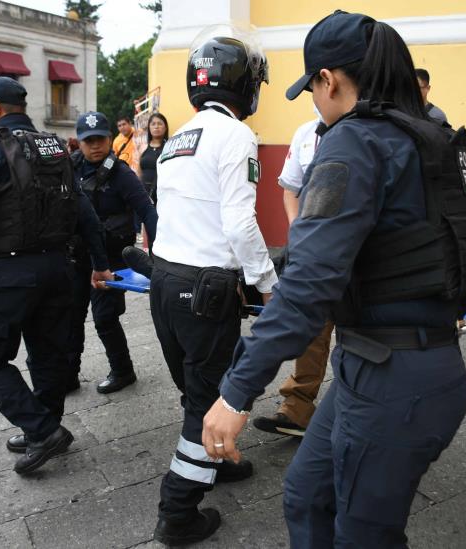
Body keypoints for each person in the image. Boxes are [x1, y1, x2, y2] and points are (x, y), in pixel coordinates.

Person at [202, 11, 466, 548]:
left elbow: (307, 286)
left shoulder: (354, 142)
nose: (314, 100)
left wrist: (236, 393)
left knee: (363, 535)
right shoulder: (431, 133)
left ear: (329, 79)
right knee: (307, 493)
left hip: (394, 382)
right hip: (397, 366)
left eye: (312, 87)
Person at [0, 76, 113, 475]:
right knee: (48, 354)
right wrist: (101, 262)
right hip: (59, 269)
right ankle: (46, 423)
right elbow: (84, 212)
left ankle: (42, 430)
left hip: (12, 270)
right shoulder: (55, 146)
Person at [149, 27, 277, 546]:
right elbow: (240, 225)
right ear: (244, 84)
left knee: (194, 387)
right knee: (206, 397)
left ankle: (213, 458)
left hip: (165, 278)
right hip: (205, 288)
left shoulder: (179, 135)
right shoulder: (236, 136)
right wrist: (269, 285)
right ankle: (178, 509)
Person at [65, 111, 158, 394]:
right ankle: (68, 375)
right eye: (88, 140)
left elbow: (147, 212)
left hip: (111, 257)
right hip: (77, 256)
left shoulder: (121, 174)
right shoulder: (69, 168)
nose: (94, 146)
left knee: (105, 317)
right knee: (70, 316)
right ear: (80, 143)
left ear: (109, 140)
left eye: (100, 140)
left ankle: (122, 370)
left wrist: (161, 253)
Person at [253, 113, 333, 438]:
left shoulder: (372, 128)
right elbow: (291, 189)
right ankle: (297, 409)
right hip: (314, 251)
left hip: (360, 252)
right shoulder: (305, 132)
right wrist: (298, 229)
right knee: (312, 330)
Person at [137, 112, 169, 204]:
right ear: (149, 128)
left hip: (161, 194)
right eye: (153, 124)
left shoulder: (169, 147)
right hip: (143, 193)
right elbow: (138, 172)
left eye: (160, 124)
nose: (156, 127)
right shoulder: (142, 147)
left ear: (165, 127)